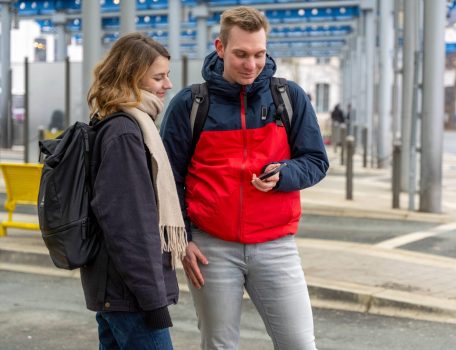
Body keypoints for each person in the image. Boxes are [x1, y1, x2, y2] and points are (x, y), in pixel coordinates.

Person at [160, 6, 328, 350]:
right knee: (220, 345)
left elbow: (316, 161)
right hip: (211, 247)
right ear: (220, 48)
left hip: (276, 245)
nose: (252, 64)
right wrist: (183, 240)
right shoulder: (190, 104)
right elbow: (167, 180)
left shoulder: (288, 96)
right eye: (241, 54)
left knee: (299, 343)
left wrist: (284, 174)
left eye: (259, 54)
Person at [83, 32, 185, 350]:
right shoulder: (126, 132)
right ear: (131, 77)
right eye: (159, 76)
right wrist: (153, 302)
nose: (168, 84)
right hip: (130, 296)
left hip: (118, 291)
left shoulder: (117, 122)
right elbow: (130, 227)